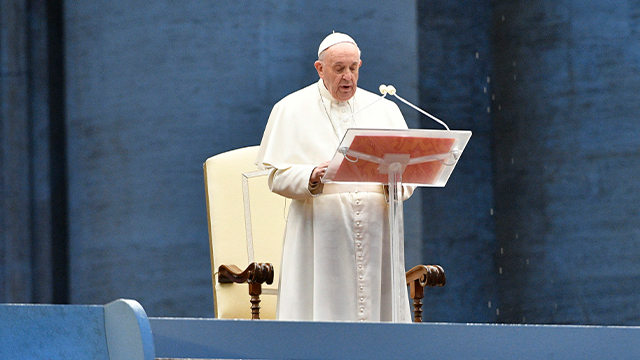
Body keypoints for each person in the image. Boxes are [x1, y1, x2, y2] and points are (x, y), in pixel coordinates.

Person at [255, 32, 413, 322]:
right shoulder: (290, 108)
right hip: (321, 234)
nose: (348, 77)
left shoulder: (384, 110)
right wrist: (312, 176)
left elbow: (409, 179)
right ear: (320, 68)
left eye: (353, 68)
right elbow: (276, 178)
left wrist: (393, 185)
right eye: (339, 68)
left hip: (377, 233)